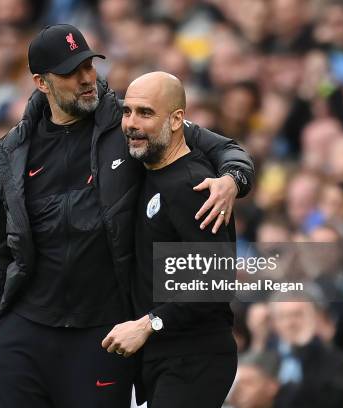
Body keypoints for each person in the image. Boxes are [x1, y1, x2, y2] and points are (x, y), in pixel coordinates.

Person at [0, 24, 254, 407]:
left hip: (104, 332)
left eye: (89, 66)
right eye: (72, 72)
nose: (88, 79)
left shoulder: (131, 122)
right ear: (41, 82)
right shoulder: (15, 148)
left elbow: (223, 147)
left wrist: (232, 179)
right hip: (25, 331)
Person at [100, 72, 238, 407]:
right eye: (127, 111)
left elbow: (214, 281)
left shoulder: (194, 186)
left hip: (194, 356)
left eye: (145, 113)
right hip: (160, 355)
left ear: (177, 120)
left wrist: (149, 323)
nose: (132, 123)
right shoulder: (144, 173)